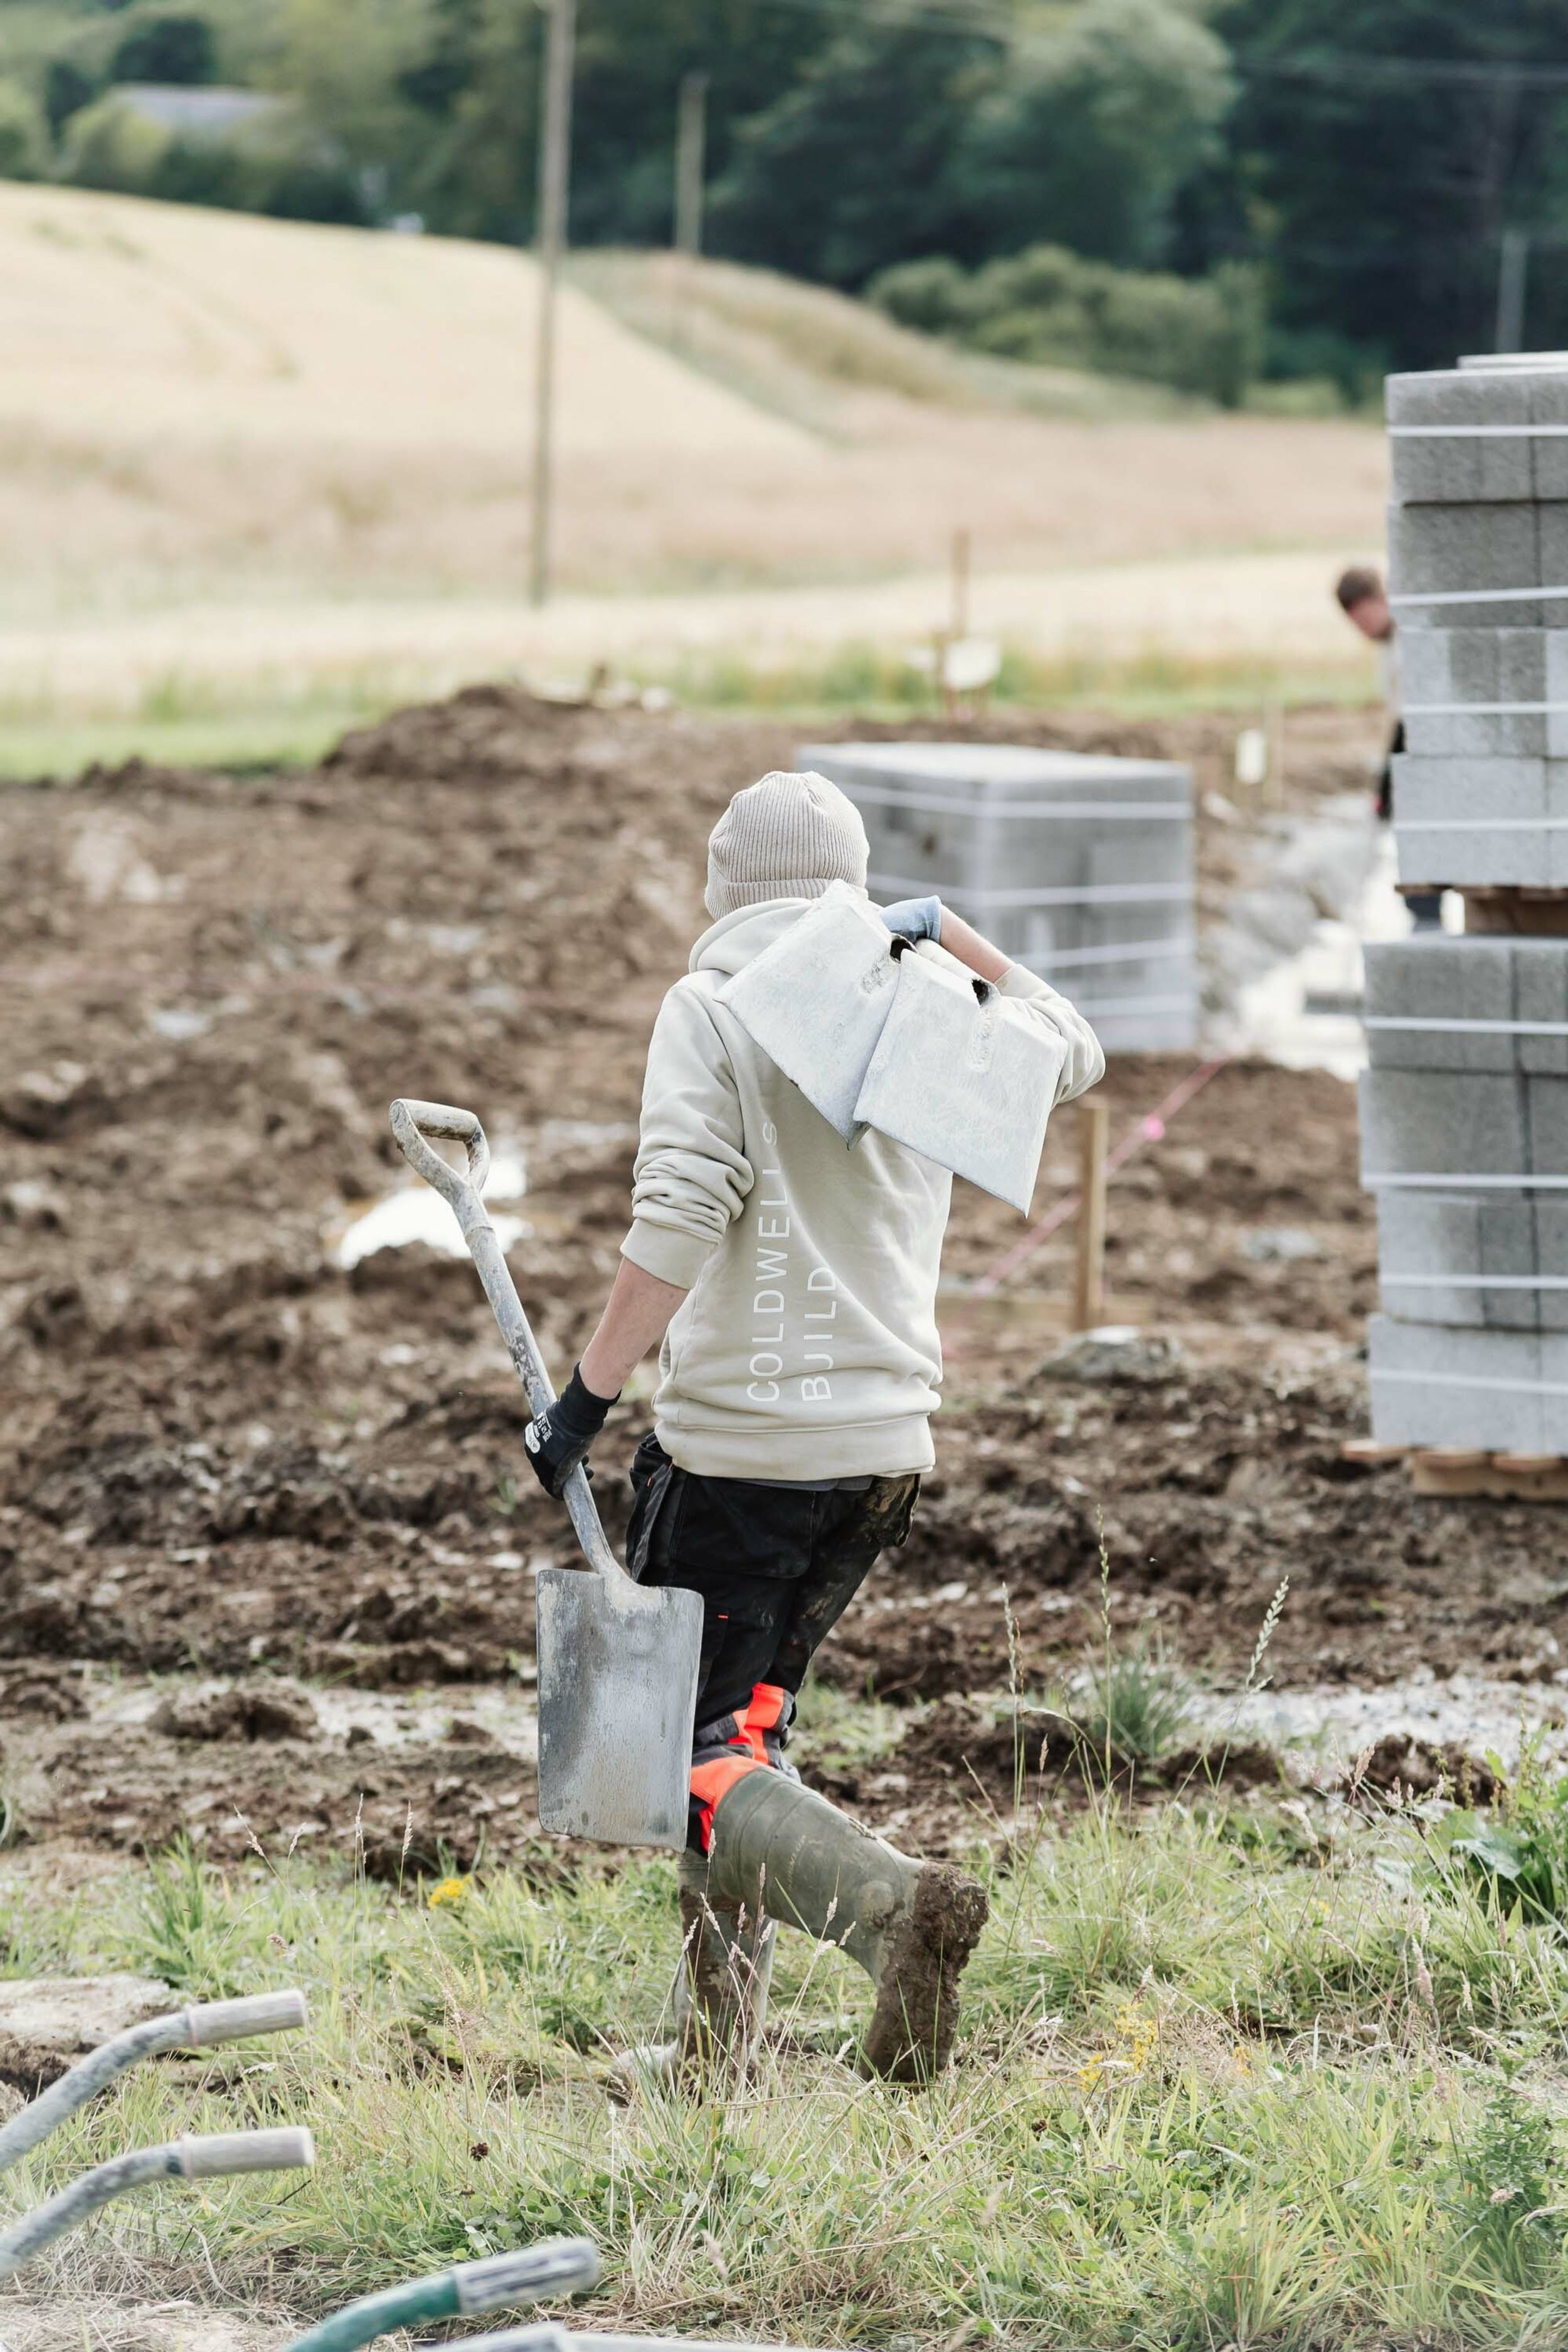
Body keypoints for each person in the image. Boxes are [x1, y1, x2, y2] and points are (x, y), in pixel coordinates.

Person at [523, 768, 1104, 2085]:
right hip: (880, 1463)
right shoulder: (917, 994)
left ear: (719, 889)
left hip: (741, 1457)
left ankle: (887, 1906)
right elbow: (1070, 1041)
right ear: (850, 890)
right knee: (740, 1750)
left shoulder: (714, 1004)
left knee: (680, 1755)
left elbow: (679, 1209)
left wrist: (586, 1397)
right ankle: (712, 2050)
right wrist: (941, 928)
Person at [1335, 562, 1442, 931]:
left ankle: (1428, 919)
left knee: (1426, 830)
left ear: (1381, 601)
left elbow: (1411, 719)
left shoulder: (1408, 640)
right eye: (1357, 625)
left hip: (1432, 752)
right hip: (1412, 745)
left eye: (1365, 619)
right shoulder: (1386, 645)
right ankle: (1423, 915)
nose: (1364, 630)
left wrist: (1389, 780)